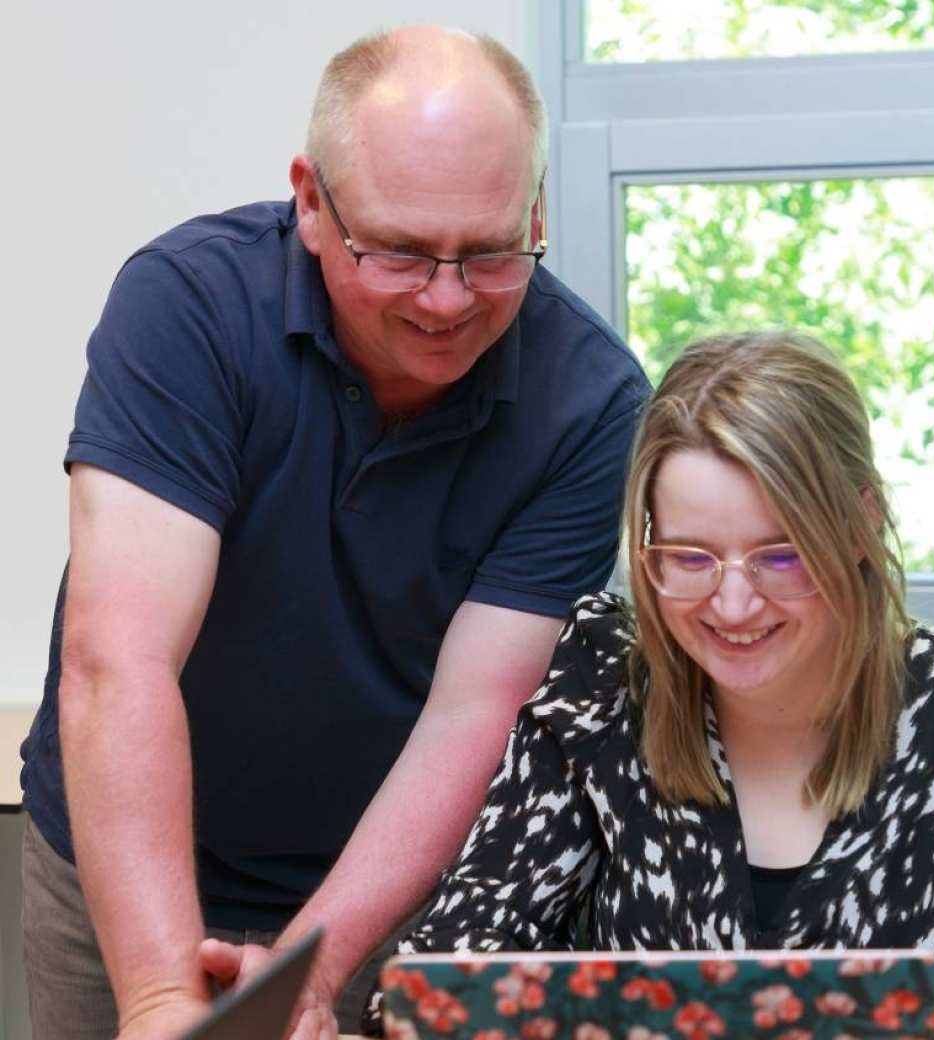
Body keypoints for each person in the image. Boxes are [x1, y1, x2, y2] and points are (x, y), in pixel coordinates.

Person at [19, 25, 649, 1040]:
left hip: (373, 877)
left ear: (532, 213)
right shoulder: (187, 308)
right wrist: (159, 999)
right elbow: (117, 660)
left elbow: (472, 716)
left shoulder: (589, 401)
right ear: (311, 201)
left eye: (488, 253)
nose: (445, 300)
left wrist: (309, 973)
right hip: (118, 861)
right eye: (399, 251)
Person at [376, 330, 934, 1040]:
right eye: (690, 558)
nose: (732, 607)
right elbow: (430, 988)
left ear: (859, 528)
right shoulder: (602, 692)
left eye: (780, 556)